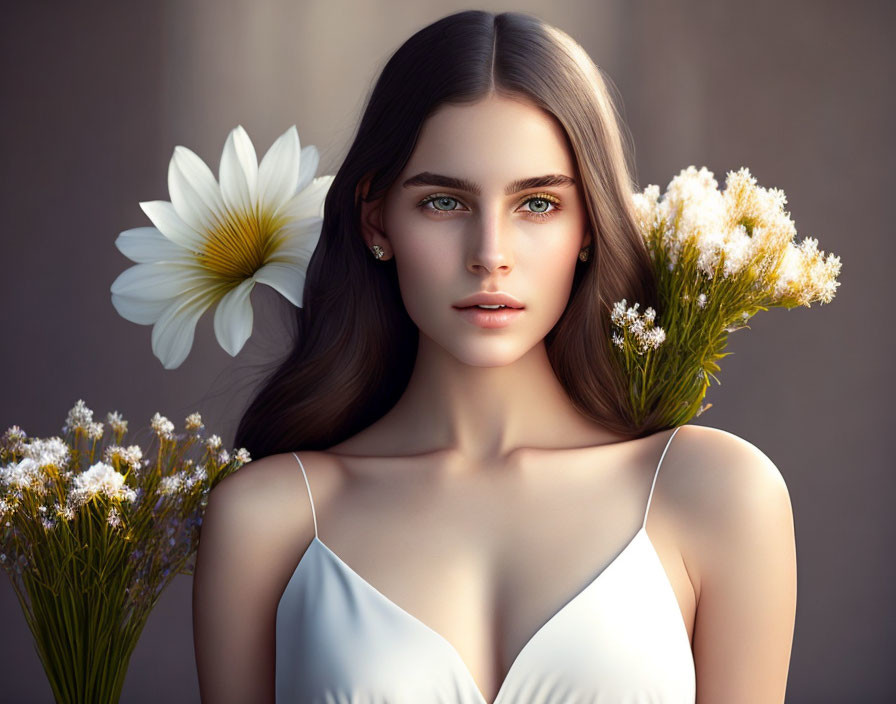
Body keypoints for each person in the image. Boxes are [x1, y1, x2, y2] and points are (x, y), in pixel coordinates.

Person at [192, 10, 797, 704]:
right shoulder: (269, 520)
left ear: (590, 227)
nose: (491, 255)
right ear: (376, 220)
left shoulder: (715, 495)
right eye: (444, 202)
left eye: (537, 204)